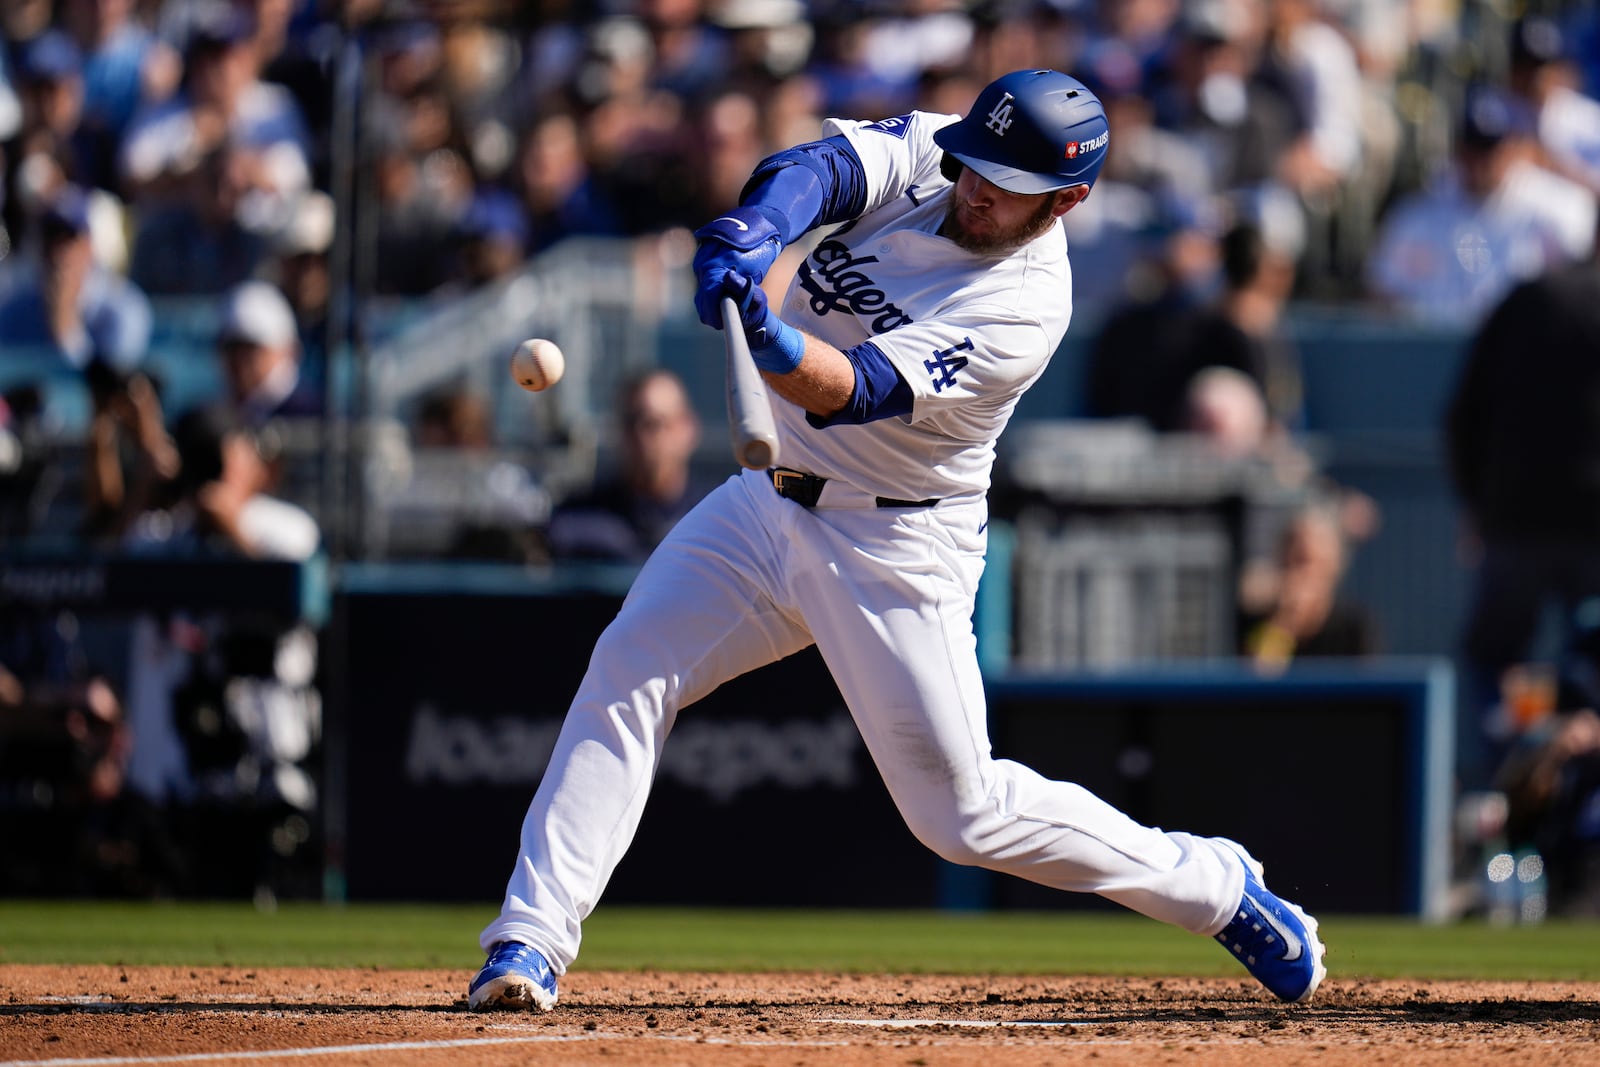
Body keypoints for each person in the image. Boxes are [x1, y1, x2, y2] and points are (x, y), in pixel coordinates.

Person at [465, 69, 1326, 1012]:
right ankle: (529, 941)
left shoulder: (1025, 307)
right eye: (974, 165)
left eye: (1007, 182)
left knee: (963, 817)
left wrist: (770, 339)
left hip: (892, 544)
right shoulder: (946, 154)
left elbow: (852, 390)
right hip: (763, 503)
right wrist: (759, 228)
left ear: (1069, 200)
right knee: (629, 667)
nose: (977, 187)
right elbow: (821, 169)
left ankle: (1213, 885)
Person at [1445, 220, 1600, 790]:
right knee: (1571, 666)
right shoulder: (1531, 297)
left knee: (1512, 666)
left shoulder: (1530, 298)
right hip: (1561, 530)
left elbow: (1463, 413)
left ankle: (1519, 800)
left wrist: (1475, 502)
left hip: (1516, 524)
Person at [545, 368, 710, 563]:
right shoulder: (576, 520)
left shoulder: (713, 520)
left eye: (654, 423)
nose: (640, 436)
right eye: (630, 422)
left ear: (687, 429)